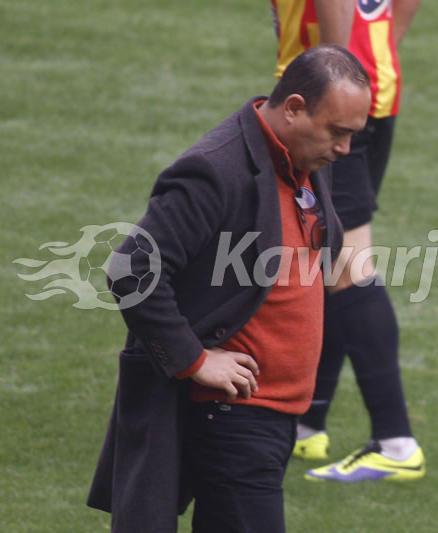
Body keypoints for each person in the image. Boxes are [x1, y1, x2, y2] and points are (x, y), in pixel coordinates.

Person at [87, 45, 371, 533]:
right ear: (295, 108)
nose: (344, 149)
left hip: (278, 414)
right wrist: (195, 360)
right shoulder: (215, 171)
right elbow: (132, 268)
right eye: (337, 132)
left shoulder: (301, 158)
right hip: (233, 415)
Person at [269, 0, 425, 482]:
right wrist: (369, 66)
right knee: (331, 254)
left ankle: (395, 443)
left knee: (347, 265)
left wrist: (336, 75)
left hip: (331, 103)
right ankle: (307, 423)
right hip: (373, 89)